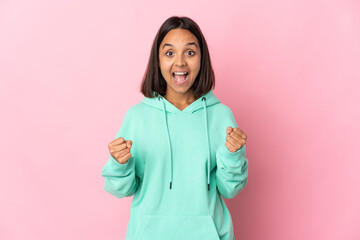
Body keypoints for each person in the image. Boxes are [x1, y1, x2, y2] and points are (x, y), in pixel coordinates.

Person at [101, 16, 248, 240]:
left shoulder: (221, 116)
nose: (180, 63)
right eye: (170, 53)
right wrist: (119, 164)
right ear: (157, 60)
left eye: (190, 52)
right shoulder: (137, 117)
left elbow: (230, 189)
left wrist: (233, 155)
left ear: (202, 59)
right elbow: (121, 189)